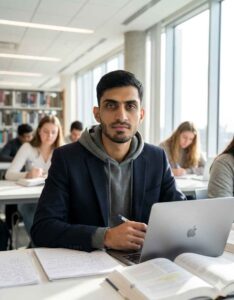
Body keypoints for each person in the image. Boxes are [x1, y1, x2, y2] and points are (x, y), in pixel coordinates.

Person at [31, 70, 186, 252]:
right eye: (111, 106)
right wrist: (105, 237)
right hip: (87, 265)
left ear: (141, 114)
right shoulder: (67, 159)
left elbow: (180, 213)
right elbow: (43, 229)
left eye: (130, 106)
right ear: (97, 114)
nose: (121, 116)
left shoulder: (156, 158)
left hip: (142, 261)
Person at [5, 115, 64, 236]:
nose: (50, 136)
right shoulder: (27, 147)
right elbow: (9, 175)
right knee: (32, 211)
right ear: (39, 131)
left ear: (59, 132)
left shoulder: (63, 149)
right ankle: (39, 245)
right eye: (45, 131)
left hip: (53, 197)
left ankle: (43, 245)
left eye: (54, 132)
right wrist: (28, 174)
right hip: (29, 199)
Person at [0, 123, 33, 231]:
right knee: (12, 204)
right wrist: (19, 159)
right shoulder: (12, 143)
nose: (29, 139)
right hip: (15, 180)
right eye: (26, 137)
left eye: (31, 136)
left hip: (30, 182)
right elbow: (2, 155)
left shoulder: (33, 144)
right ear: (20, 136)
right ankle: (10, 228)